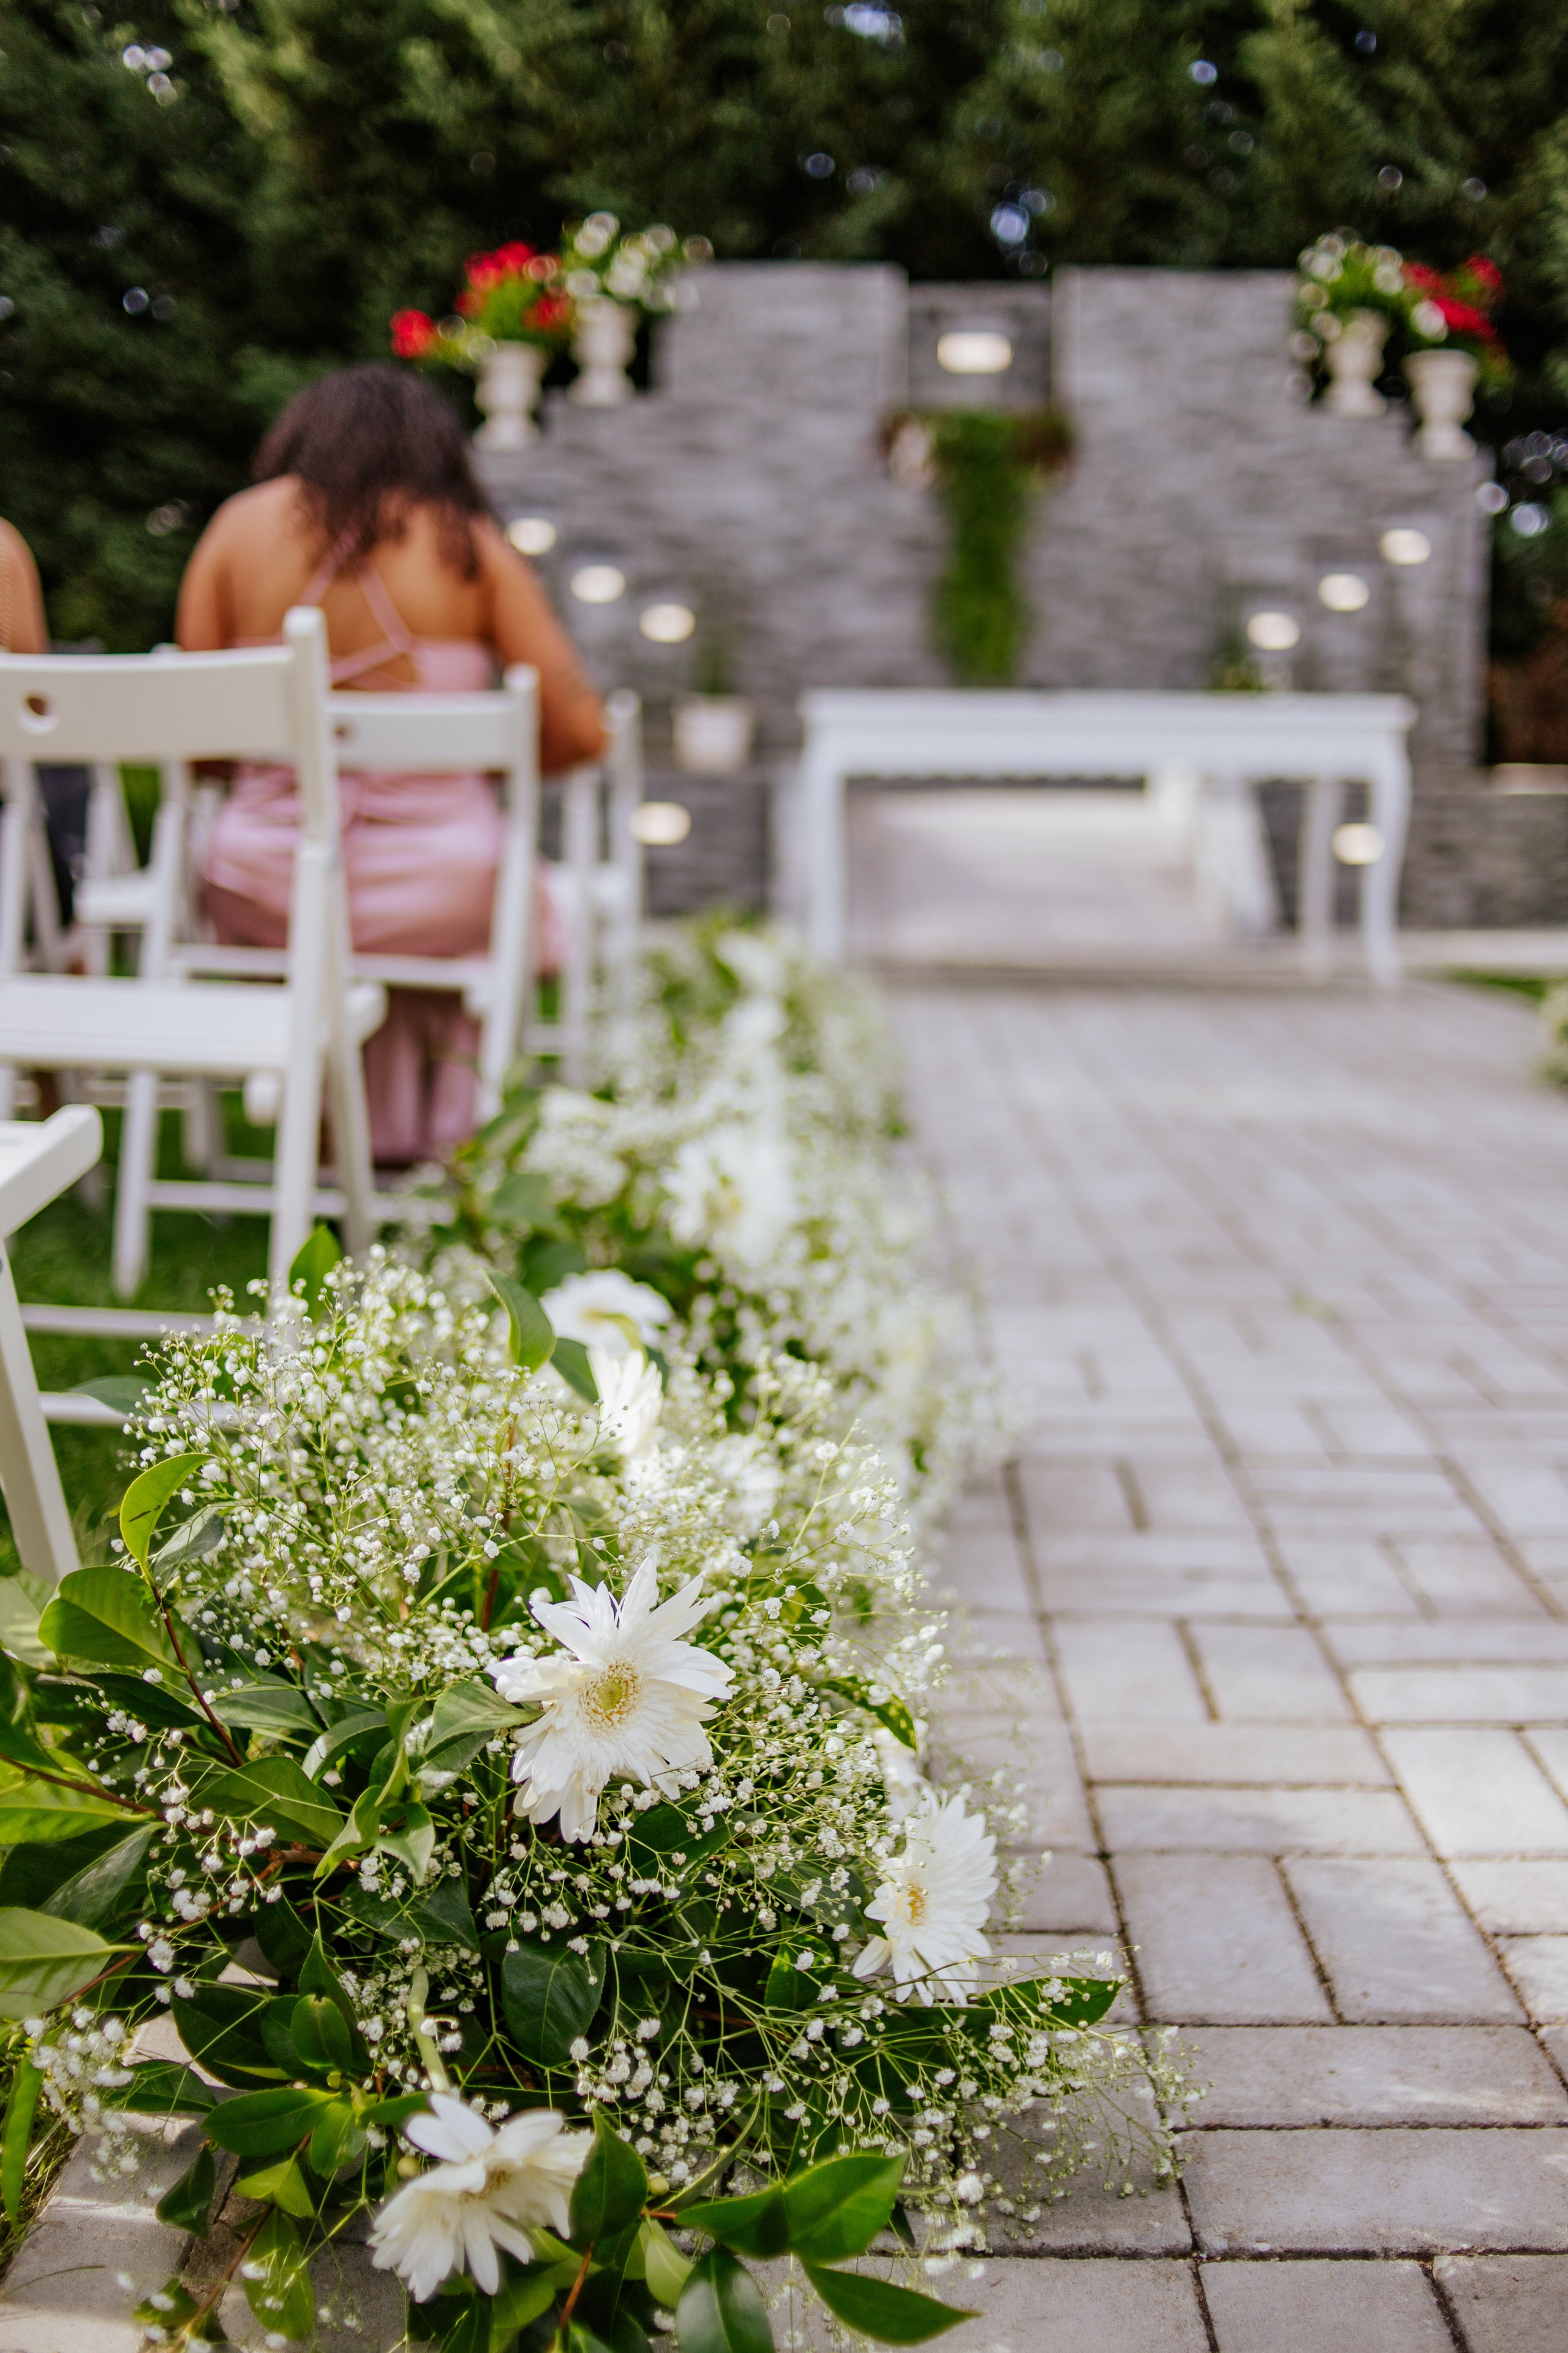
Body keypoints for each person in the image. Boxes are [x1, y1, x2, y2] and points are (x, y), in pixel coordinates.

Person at [176, 362, 605, 1163]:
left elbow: (197, 748)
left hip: (269, 880)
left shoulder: (237, 530)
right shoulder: (466, 544)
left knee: (312, 901)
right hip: (438, 887)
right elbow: (583, 732)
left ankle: (335, 1134)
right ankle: (426, 1146)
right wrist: (473, 765)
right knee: (483, 884)